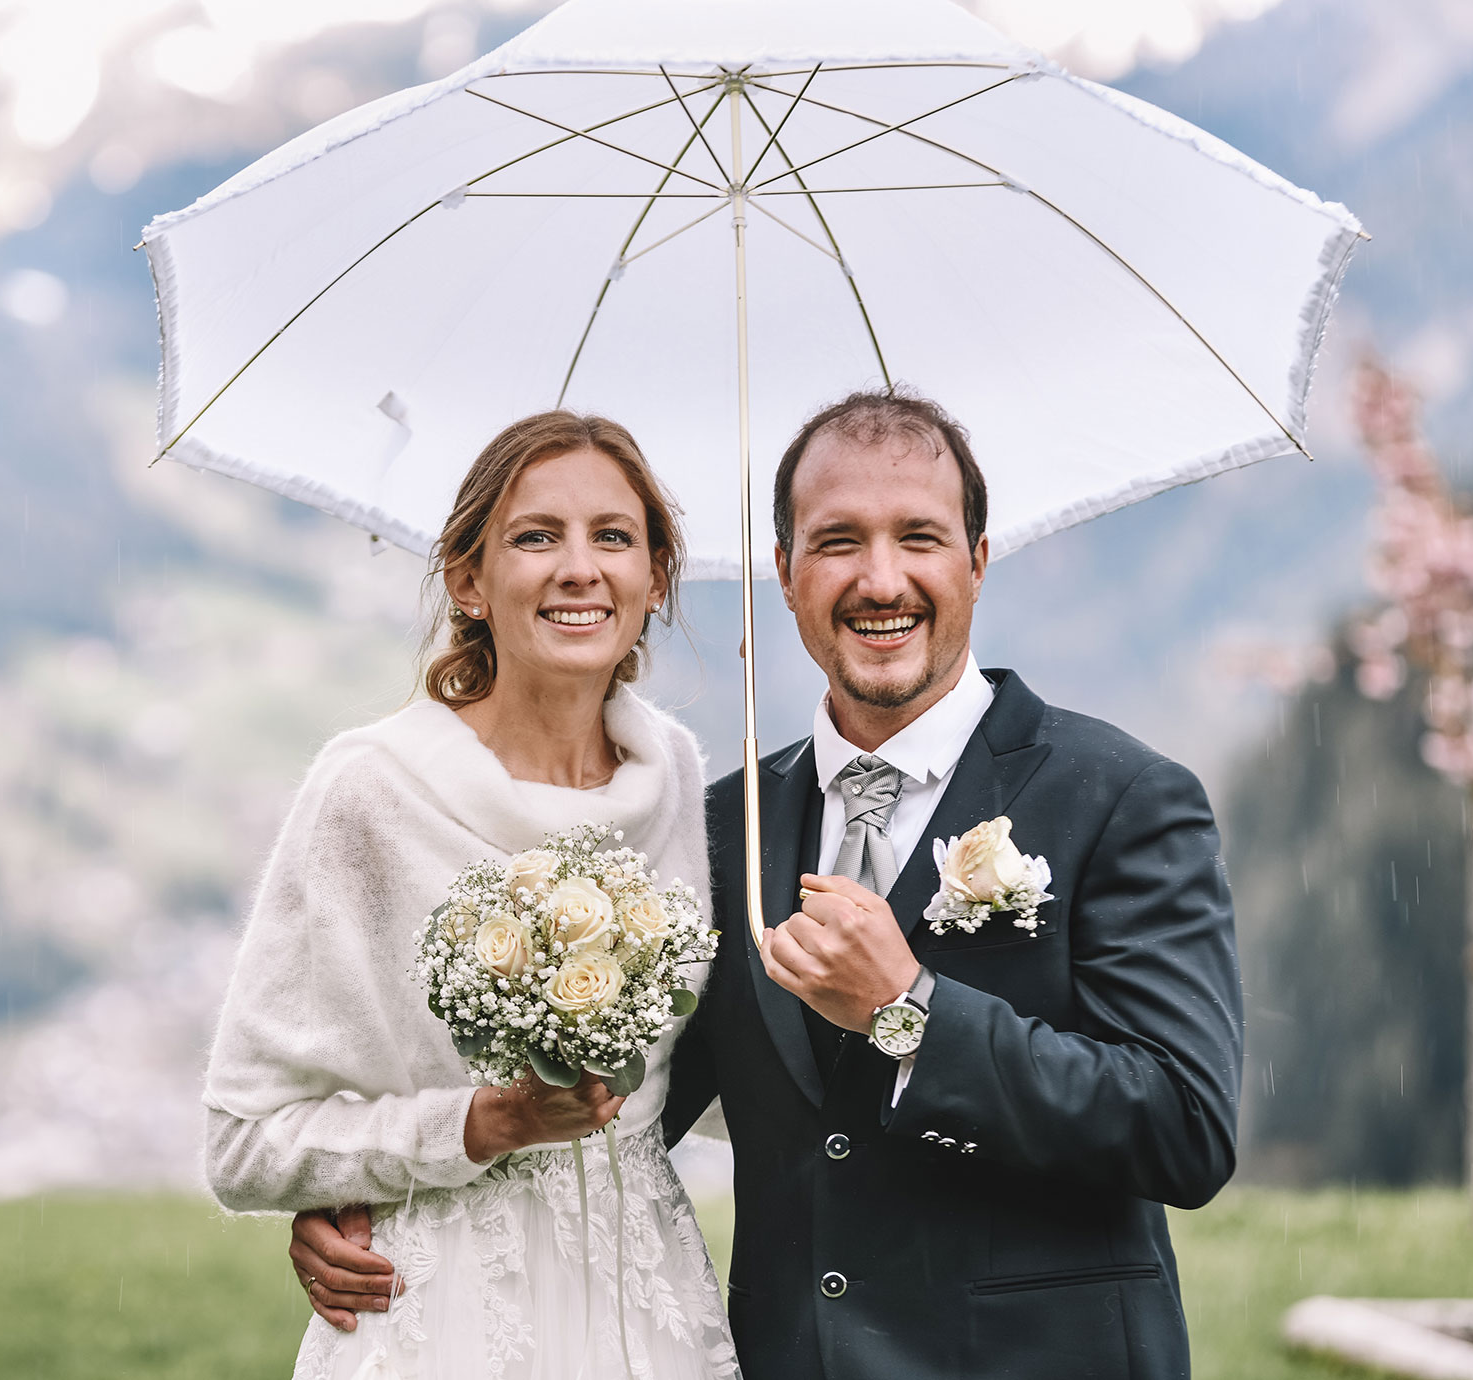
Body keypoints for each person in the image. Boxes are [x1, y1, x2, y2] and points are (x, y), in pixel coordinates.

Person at [290, 390, 1244, 1380]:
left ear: (976, 561)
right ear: (784, 574)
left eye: (919, 536)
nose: (883, 580)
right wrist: (392, 1190)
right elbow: (611, 1113)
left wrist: (908, 1010)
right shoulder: (711, 830)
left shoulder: (1125, 798)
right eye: (838, 542)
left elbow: (1183, 1128)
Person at [202, 411, 738, 1380]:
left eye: (614, 537)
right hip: (440, 1322)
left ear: (656, 578)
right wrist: (470, 1129)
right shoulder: (368, 789)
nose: (580, 567)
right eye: (537, 536)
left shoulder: (681, 776)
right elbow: (244, 1140)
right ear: (468, 580)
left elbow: (699, 1079)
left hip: (648, 1319)